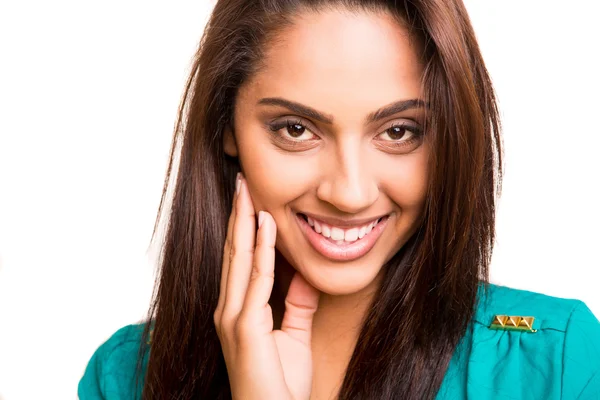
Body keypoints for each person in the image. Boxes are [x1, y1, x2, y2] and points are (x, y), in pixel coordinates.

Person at [78, 0, 600, 399]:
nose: (349, 193)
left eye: (398, 131)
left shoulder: (554, 362)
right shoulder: (124, 379)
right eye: (296, 128)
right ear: (226, 126)